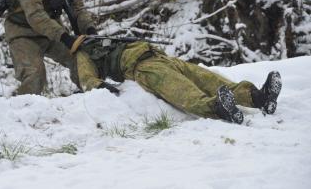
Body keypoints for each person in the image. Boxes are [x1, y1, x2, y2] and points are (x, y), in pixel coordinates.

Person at [70, 38, 282, 124]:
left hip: (165, 59)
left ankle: (257, 97)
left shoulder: (105, 41)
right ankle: (217, 109)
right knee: (184, 91)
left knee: (209, 79)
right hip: (144, 68)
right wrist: (104, 87)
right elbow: (87, 79)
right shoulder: (83, 54)